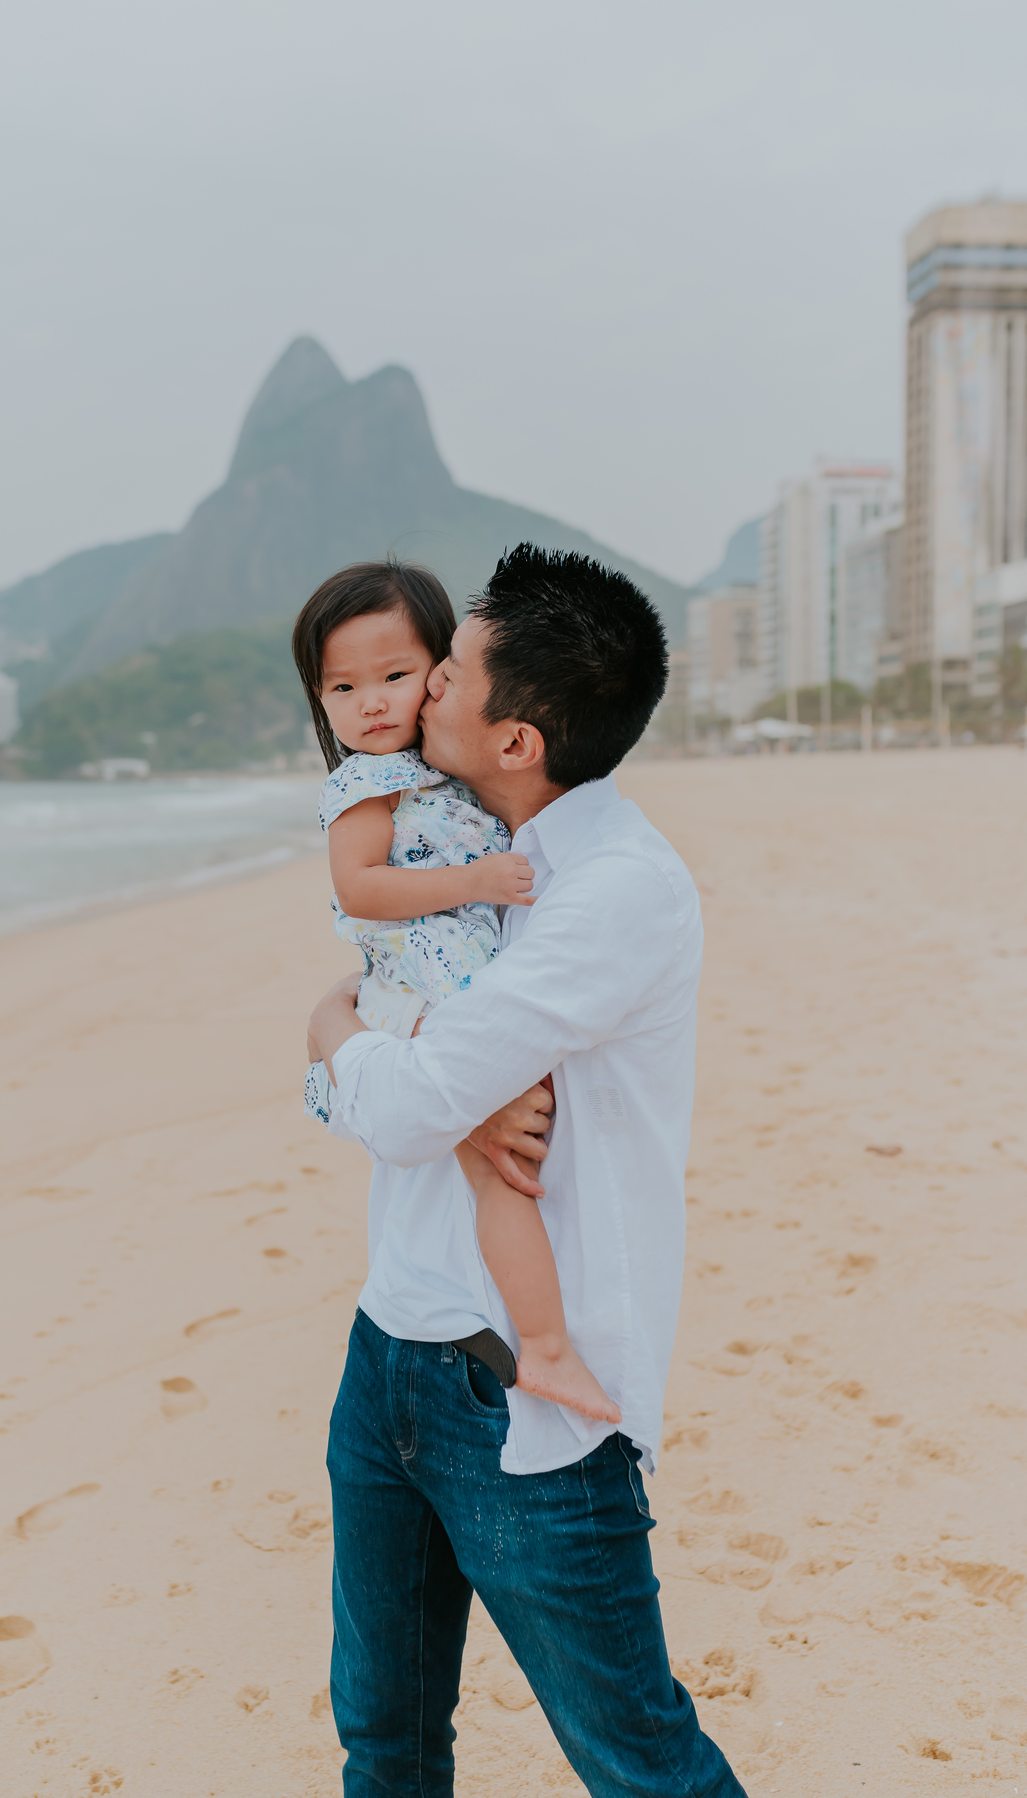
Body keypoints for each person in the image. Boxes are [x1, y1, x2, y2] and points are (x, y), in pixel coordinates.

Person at [307, 543, 747, 1796]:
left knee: (645, 1762)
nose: (423, 687)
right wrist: (387, 1046)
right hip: (389, 1344)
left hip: (524, 1405)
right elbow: (408, 1043)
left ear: (518, 738)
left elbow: (397, 1103)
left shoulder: (611, 893)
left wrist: (333, 1033)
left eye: (448, 675)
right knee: (386, 1741)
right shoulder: (465, 855)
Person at [292, 560, 620, 1422]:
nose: (371, 702)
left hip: (454, 987)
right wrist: (473, 880)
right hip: (420, 999)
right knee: (497, 1174)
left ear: (439, 675)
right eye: (343, 687)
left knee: (506, 1165)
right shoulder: (365, 785)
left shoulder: (442, 776)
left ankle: (543, 1339)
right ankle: (545, 1347)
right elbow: (359, 891)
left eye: (395, 677)